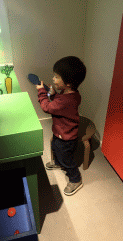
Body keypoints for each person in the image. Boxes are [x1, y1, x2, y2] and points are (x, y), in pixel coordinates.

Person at [36, 56, 86, 196]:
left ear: (68, 83)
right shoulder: (72, 94)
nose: (53, 79)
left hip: (66, 135)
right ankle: (58, 162)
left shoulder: (64, 100)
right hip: (61, 131)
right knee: (55, 147)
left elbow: (47, 107)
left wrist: (41, 92)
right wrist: (53, 94)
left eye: (57, 77)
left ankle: (75, 179)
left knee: (66, 158)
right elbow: (59, 103)